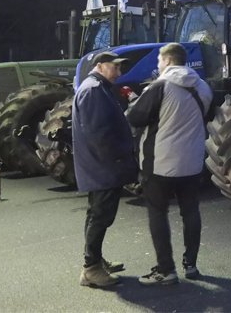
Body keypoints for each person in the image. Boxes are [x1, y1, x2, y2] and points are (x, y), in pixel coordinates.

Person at [126, 42, 213, 286]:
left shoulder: (160, 86)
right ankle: (191, 264)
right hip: (192, 162)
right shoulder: (203, 88)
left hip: (159, 164)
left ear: (167, 61)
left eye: (159, 61)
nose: (158, 65)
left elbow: (136, 117)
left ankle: (166, 269)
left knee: (158, 213)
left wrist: (135, 102)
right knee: (190, 211)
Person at [72, 51, 138, 288]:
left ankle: (96, 260)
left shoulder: (96, 88)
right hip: (103, 168)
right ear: (100, 66)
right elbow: (99, 134)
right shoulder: (93, 91)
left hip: (101, 167)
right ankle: (91, 269)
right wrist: (119, 160)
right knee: (100, 217)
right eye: (115, 68)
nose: (119, 73)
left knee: (97, 215)